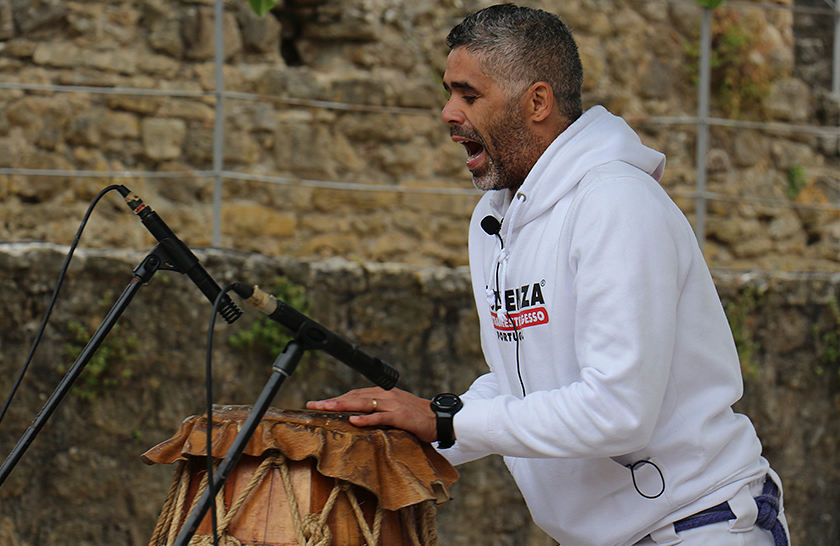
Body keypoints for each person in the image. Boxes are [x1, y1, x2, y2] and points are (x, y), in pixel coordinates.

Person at [307, 4, 790, 546]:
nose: (447, 112)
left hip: (699, 526)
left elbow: (618, 410)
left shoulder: (615, 202)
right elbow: (521, 381)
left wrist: (447, 421)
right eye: (448, 93)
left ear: (537, 101)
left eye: (468, 95)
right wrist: (422, 429)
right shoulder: (495, 217)